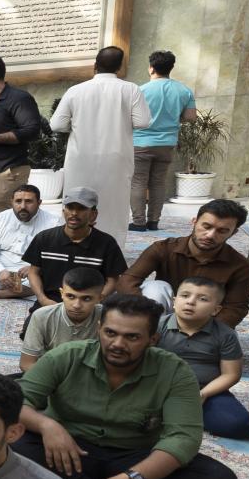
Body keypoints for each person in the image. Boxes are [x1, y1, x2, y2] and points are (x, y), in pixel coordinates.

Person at [14, 293, 239, 479]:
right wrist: (47, 426)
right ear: (99, 329)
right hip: (67, 453)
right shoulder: (66, 356)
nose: (118, 344)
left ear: (153, 339)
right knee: (12, 440)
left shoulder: (175, 372)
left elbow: (183, 437)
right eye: (110, 333)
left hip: (134, 457)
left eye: (132, 337)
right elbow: (15, 403)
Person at [52, 46, 149, 238]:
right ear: (120, 67)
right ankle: (113, 249)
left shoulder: (75, 91)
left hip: (80, 159)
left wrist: (78, 124)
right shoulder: (130, 89)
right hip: (116, 159)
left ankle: (74, 244)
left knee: (77, 204)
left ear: (95, 65)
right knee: (114, 206)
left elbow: (57, 124)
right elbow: (142, 122)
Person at [119, 198, 249, 323]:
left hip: (206, 321)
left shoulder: (241, 266)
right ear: (194, 221)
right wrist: (145, 313)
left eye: (222, 231)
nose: (210, 235)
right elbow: (127, 281)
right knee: (156, 288)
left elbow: (236, 308)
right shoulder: (163, 248)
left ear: (233, 233)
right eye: (206, 226)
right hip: (161, 316)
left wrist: (205, 331)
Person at [158, 277, 249, 439]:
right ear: (174, 302)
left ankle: (177, 414)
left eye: (202, 299)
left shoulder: (225, 334)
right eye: (185, 296)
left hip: (204, 392)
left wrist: (202, 394)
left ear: (216, 310)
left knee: (239, 425)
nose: (190, 302)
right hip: (158, 388)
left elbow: (231, 374)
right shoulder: (157, 326)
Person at [22, 188, 126, 307]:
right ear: (63, 211)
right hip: (49, 303)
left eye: (81, 208)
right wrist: (43, 299)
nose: (74, 213)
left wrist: (96, 301)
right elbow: (33, 272)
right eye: (70, 208)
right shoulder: (44, 238)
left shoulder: (106, 243)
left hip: (89, 306)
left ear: (93, 214)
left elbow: (113, 280)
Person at [131, 50, 197, 231]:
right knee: (158, 183)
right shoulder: (184, 90)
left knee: (138, 182)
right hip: (167, 143)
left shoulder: (140, 91)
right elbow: (191, 117)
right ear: (171, 68)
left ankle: (138, 222)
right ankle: (153, 221)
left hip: (140, 142)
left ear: (151, 68)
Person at [18, 266, 106, 371]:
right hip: (50, 374)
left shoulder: (108, 318)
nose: (77, 305)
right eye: (71, 296)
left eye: (86, 298)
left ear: (100, 298)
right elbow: (26, 364)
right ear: (62, 294)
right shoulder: (42, 316)